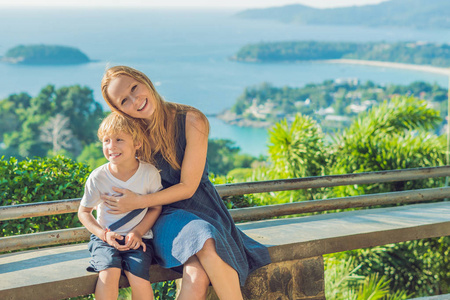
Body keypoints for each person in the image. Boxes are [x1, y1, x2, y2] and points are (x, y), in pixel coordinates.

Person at [100, 65, 271, 300]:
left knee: (197, 272)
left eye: (134, 88)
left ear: (144, 80)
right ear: (120, 110)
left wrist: (138, 200)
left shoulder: (192, 120)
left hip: (202, 208)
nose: (135, 100)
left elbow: (188, 187)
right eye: (124, 101)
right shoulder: (132, 137)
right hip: (159, 214)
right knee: (206, 238)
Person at [78, 112, 163, 300]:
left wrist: (139, 232)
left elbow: (156, 206)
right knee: (109, 273)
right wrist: (104, 234)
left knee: (139, 278)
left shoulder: (149, 173)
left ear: (137, 143)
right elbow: (84, 212)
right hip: (105, 238)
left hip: (138, 239)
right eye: (106, 140)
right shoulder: (98, 177)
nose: (111, 146)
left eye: (119, 139)